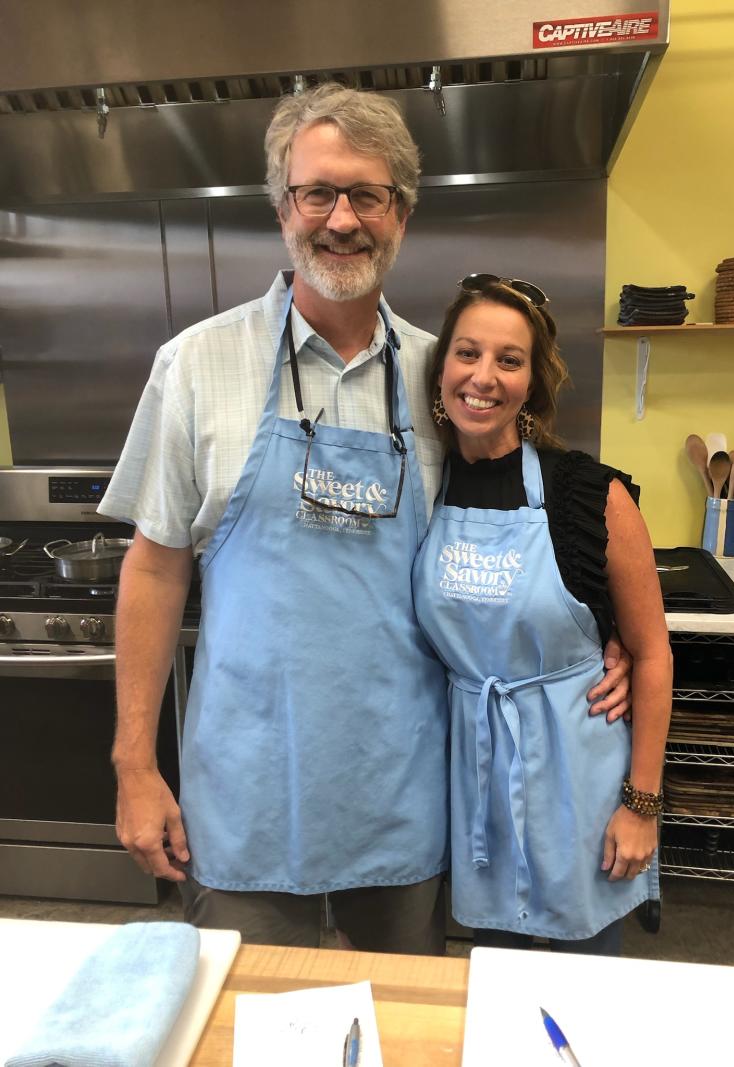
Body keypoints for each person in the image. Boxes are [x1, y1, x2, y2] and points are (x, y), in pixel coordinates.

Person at [100, 84, 633, 954]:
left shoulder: (445, 381)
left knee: (401, 1031)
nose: (342, 218)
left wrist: (593, 637)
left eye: (369, 195)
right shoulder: (195, 364)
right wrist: (133, 763)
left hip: (404, 797)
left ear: (402, 215)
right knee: (249, 1032)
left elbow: (517, 533)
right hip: (243, 802)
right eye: (319, 193)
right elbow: (155, 568)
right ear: (283, 209)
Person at [411, 275, 673, 954]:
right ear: (441, 370)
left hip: (579, 782)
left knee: (585, 984)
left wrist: (641, 804)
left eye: (509, 359)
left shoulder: (590, 494)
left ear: (533, 382)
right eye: (467, 353)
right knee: (499, 976)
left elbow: (649, 653)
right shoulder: (421, 487)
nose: (483, 377)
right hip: (477, 778)